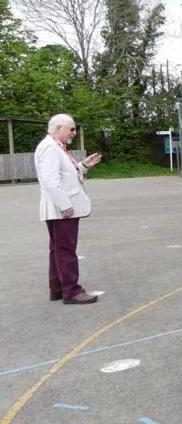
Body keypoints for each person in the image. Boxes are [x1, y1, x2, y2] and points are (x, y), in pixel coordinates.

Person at [34, 114, 102, 304]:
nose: (74, 132)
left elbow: (65, 175)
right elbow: (51, 181)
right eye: (71, 129)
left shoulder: (55, 147)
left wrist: (83, 166)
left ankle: (57, 288)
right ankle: (71, 291)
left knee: (57, 249)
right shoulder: (50, 148)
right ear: (57, 128)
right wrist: (65, 206)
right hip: (61, 208)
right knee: (65, 249)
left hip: (58, 208)